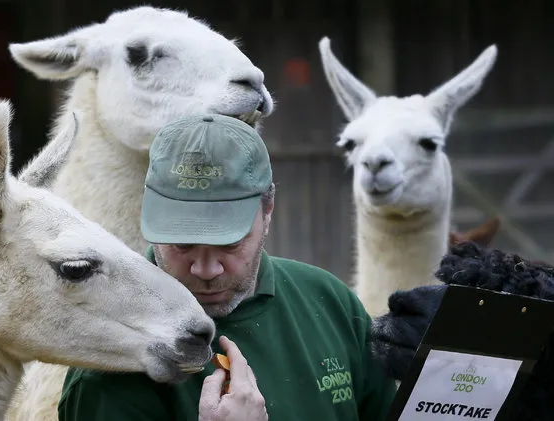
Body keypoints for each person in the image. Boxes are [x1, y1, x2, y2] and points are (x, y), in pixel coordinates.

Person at [58, 114, 397, 420]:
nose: (206, 270)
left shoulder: (331, 304)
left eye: (230, 243)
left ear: (268, 211)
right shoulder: (111, 363)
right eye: (182, 245)